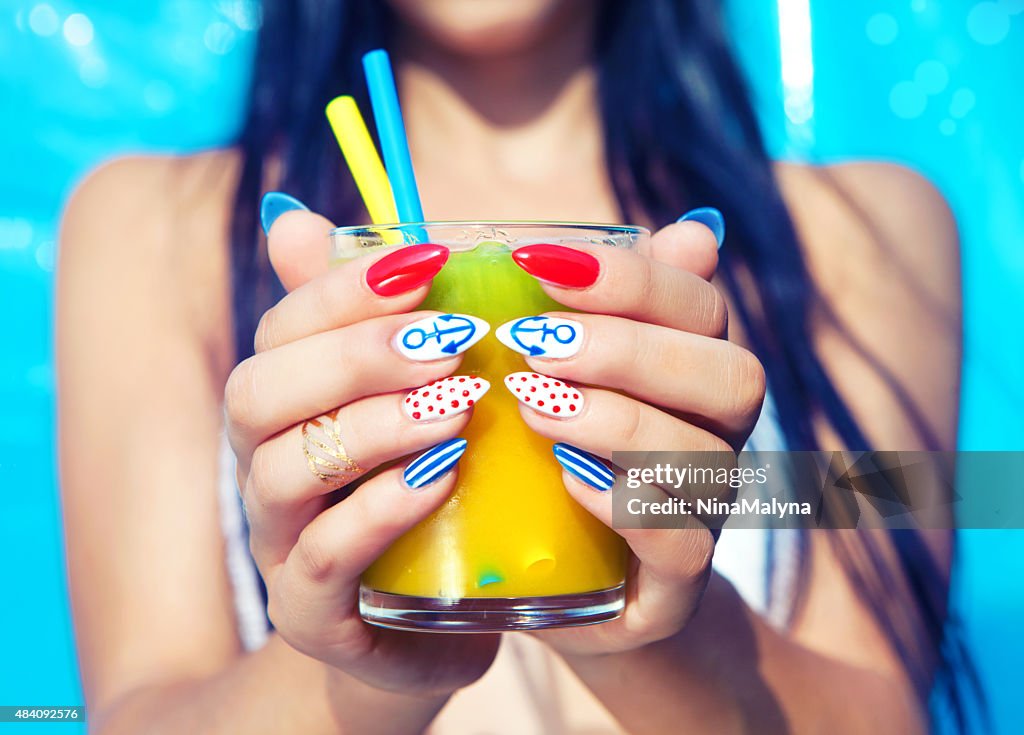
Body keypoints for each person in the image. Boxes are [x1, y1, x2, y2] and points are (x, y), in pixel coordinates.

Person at [57, 1, 970, 733]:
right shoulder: (148, 230)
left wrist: (642, 629)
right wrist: (364, 673)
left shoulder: (867, 233)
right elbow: (141, 712)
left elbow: (881, 713)